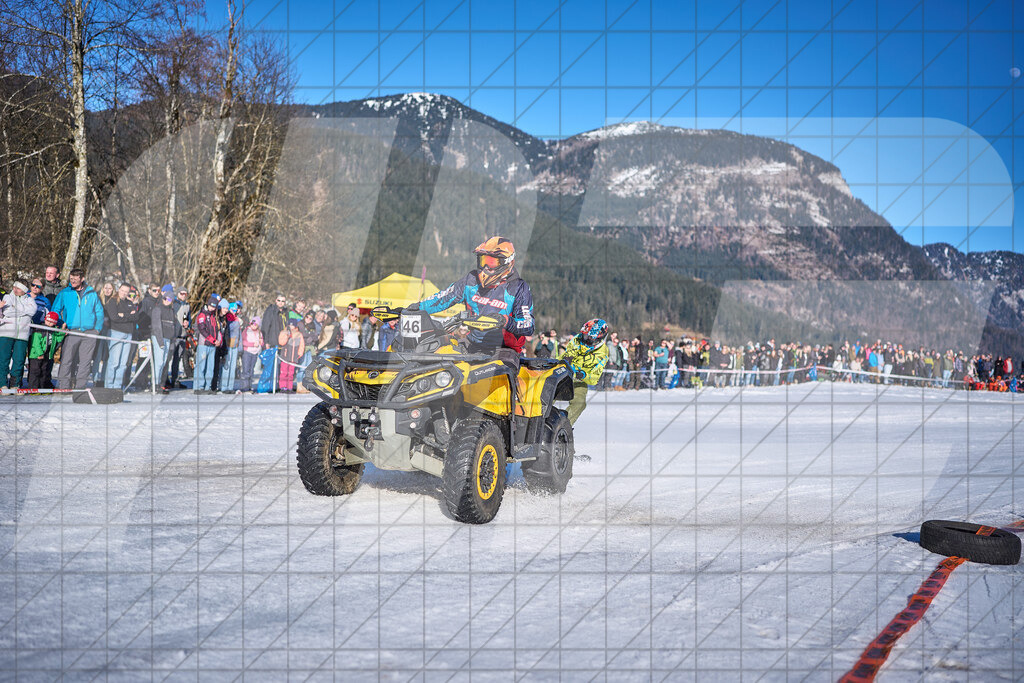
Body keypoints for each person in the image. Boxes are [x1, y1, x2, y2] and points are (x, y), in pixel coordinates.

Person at [410, 236, 534, 367]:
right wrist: (416, 308)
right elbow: (443, 298)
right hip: (472, 344)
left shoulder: (518, 288)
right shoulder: (471, 280)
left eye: (491, 262)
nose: (486, 267)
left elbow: (528, 325)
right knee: (437, 360)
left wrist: (505, 321)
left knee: (497, 376)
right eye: (483, 261)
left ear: (506, 262)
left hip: (504, 350)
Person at [52, 269, 105, 390]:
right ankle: (64, 387)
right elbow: (55, 309)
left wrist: (97, 329)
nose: (73, 281)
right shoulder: (65, 293)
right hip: (71, 331)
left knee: (85, 362)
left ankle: (80, 387)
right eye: (71, 279)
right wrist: (61, 324)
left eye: (75, 279)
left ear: (82, 279)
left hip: (89, 333)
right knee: (66, 360)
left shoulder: (91, 293)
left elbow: (99, 312)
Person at [557, 319, 609, 424]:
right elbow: (568, 352)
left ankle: (563, 425)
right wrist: (566, 358)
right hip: (564, 374)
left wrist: (583, 375)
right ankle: (538, 416)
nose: (585, 339)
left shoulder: (603, 353)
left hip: (579, 380)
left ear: (598, 339)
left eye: (589, 337)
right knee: (548, 393)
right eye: (585, 336)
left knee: (580, 403)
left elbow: (595, 378)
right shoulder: (577, 339)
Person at [0, 281, 38, 388]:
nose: (15, 290)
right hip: (6, 333)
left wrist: (16, 308)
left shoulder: (30, 300)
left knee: (19, 360)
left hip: (22, 335)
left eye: (18, 288)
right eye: (14, 287)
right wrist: (25, 311)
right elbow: (7, 312)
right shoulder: (8, 297)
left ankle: (15, 384)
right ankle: (2, 383)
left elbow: (32, 311)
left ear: (24, 290)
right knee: (3, 359)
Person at [104, 283, 139, 390]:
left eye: (126, 292)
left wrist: (123, 315)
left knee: (123, 364)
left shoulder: (129, 303)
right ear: (119, 289)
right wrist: (129, 315)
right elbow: (114, 317)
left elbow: (136, 316)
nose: (124, 293)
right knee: (114, 362)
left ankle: (117, 387)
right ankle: (109, 387)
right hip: (116, 333)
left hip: (128, 335)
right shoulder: (113, 301)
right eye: (122, 290)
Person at [26, 310, 65, 389]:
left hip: (47, 355)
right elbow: (36, 343)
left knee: (44, 372)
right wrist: (40, 353)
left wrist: (63, 332)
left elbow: (58, 339)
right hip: (36, 355)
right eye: (48, 321)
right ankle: (33, 388)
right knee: (35, 371)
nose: (49, 323)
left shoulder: (53, 331)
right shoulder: (39, 329)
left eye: (51, 322)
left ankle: (41, 387)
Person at [193, 295, 222, 393]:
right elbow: (202, 329)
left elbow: (217, 330)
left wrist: (218, 341)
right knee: (201, 366)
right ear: (208, 305)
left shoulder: (213, 316)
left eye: (214, 307)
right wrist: (213, 340)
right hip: (204, 344)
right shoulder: (202, 314)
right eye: (211, 306)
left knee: (210, 367)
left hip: (212, 345)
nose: (212, 308)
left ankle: (207, 386)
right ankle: (198, 386)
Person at [151, 287, 177, 392]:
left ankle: (160, 383)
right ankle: (155, 384)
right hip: (159, 338)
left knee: (164, 362)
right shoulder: (158, 309)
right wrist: (160, 341)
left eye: (169, 299)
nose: (167, 301)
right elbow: (156, 326)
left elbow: (173, 326)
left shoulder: (171, 311)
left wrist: (172, 341)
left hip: (168, 339)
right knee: (159, 362)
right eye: (165, 298)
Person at [170, 287, 191, 387]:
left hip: (182, 335)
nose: (183, 296)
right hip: (173, 335)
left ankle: (175, 379)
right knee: (168, 358)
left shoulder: (187, 305)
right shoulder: (173, 304)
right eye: (181, 293)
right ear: (177, 294)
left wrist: (188, 323)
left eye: (185, 294)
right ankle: (164, 380)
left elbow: (188, 318)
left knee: (177, 359)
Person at [278, 317, 304, 391]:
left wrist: (300, 353)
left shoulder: (299, 334)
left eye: (292, 325)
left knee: (291, 373)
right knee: (284, 372)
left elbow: (301, 344)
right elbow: (281, 342)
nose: (291, 326)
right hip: (285, 356)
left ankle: (289, 387)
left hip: (294, 357)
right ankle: (283, 387)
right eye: (290, 325)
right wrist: (287, 335)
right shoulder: (284, 332)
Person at [239, 315, 264, 392]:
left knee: (251, 370)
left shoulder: (259, 333)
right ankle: (245, 387)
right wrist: (252, 344)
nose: (253, 326)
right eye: (252, 324)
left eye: (255, 324)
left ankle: (249, 386)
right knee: (246, 370)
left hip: (255, 353)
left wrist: (261, 343)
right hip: (247, 352)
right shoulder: (246, 331)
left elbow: (261, 342)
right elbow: (243, 342)